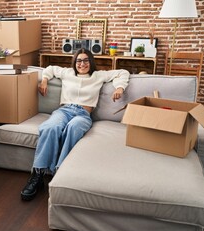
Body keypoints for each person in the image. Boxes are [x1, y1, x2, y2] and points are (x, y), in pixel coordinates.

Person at [21, 48, 130, 201]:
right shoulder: (67, 73)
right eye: (79, 60)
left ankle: (60, 174)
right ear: (75, 62)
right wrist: (44, 80)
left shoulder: (98, 76)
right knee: (49, 127)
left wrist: (119, 87)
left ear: (90, 62)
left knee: (73, 128)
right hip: (64, 111)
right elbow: (50, 69)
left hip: (83, 115)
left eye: (86, 60)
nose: (82, 64)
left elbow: (123, 72)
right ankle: (37, 175)